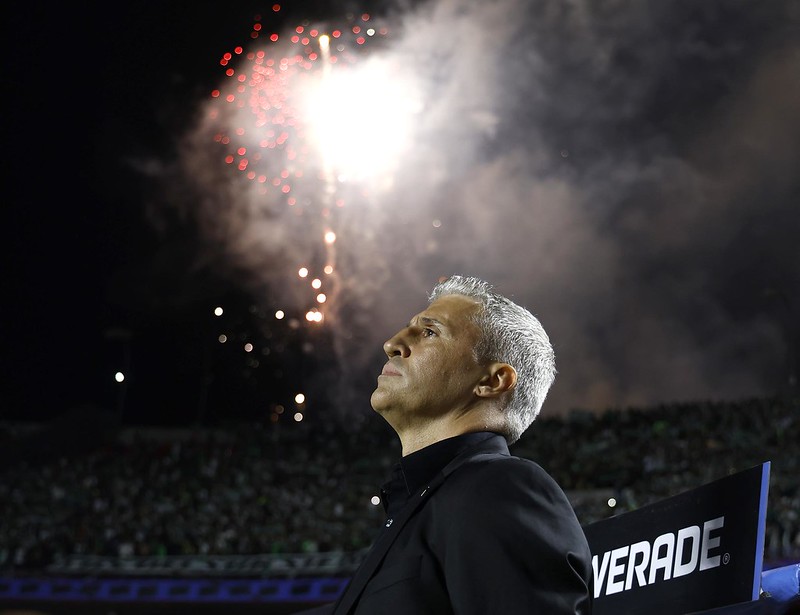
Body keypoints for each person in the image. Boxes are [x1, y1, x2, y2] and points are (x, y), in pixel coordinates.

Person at [302, 274, 592, 614]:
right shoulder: (422, 505)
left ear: (492, 380)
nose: (392, 343)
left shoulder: (498, 489)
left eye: (429, 332)